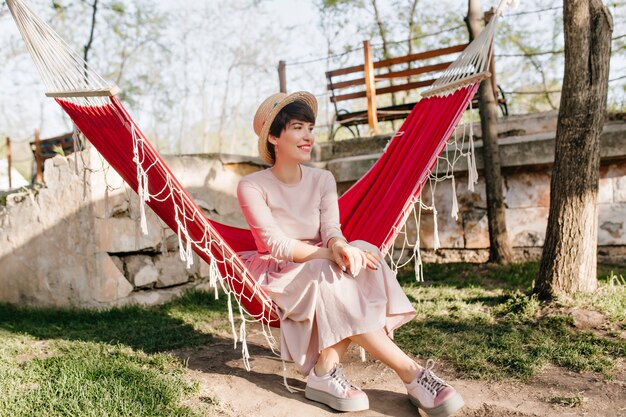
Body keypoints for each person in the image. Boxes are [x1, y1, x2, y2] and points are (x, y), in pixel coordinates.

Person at [236, 91, 464, 417]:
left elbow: (331, 230)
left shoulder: (322, 179)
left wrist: (340, 247)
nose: (308, 136)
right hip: (276, 271)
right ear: (274, 137)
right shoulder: (252, 186)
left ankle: (324, 369)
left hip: (319, 262)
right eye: (297, 127)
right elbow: (276, 244)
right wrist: (331, 257)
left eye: (309, 128)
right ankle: (412, 374)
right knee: (331, 271)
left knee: (365, 252)